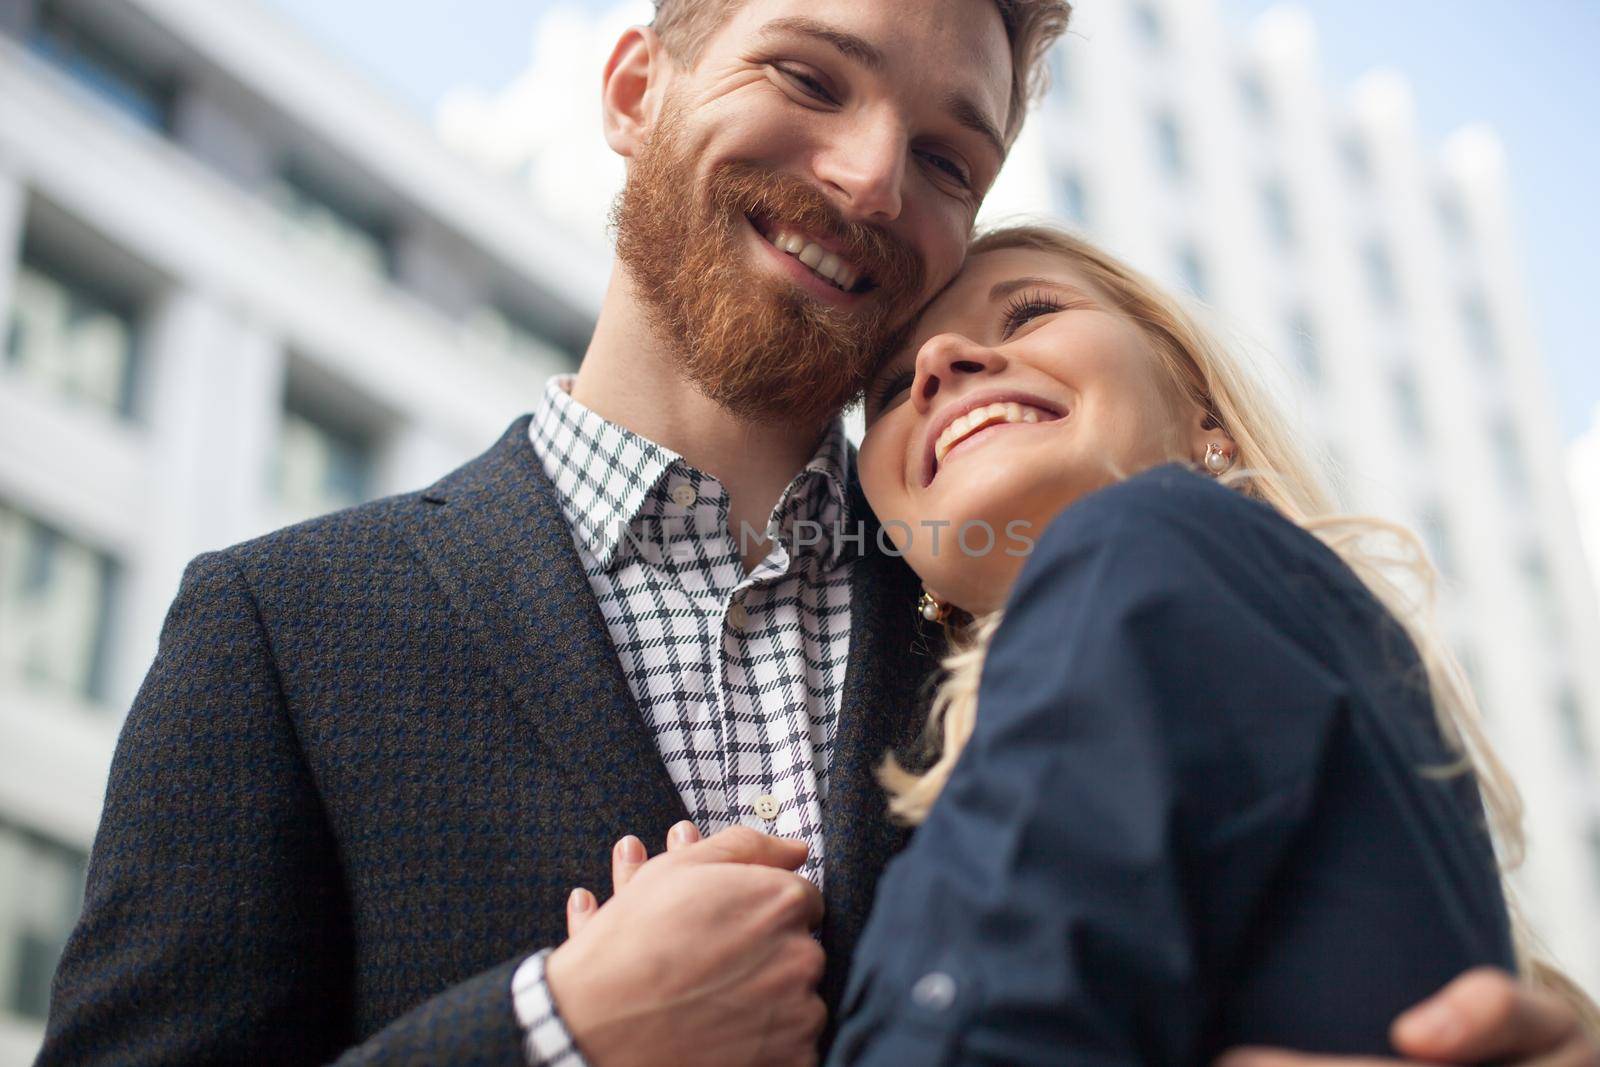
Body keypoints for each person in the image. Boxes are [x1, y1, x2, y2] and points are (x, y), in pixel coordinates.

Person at [38, 0, 1597, 1063]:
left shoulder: (1051, 604)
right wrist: (557, 1029)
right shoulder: (286, 627)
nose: (866, 176)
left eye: (947, 157)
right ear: (639, 89)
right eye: (808, 75)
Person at [823, 224, 1600, 1063]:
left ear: (1203, 412)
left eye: (1030, 314)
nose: (940, 358)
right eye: (896, 385)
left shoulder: (1142, 540)